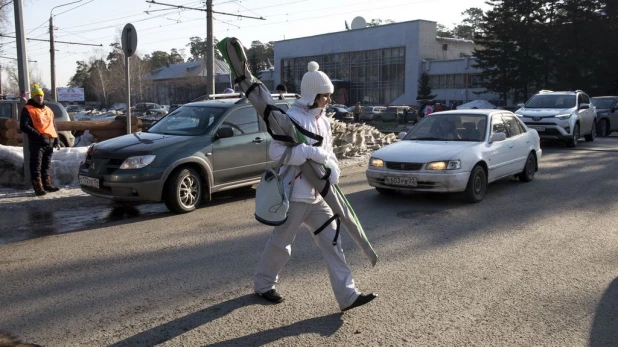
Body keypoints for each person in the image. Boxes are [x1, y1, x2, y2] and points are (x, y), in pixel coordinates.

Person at [253, 61, 377, 312]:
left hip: (320, 196)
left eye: (329, 95)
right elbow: (276, 152)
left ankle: (348, 296)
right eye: (325, 95)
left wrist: (333, 169)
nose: (329, 99)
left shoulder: (325, 121)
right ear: (312, 95)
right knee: (281, 244)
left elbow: (328, 153)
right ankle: (264, 284)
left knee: (333, 243)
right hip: (295, 196)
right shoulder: (290, 117)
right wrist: (308, 152)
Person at [19, 84, 60, 196]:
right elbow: (24, 126)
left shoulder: (48, 110)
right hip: (37, 142)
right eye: (37, 96)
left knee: (46, 165)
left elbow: (53, 125)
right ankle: (38, 187)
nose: (39, 97)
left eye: (41, 95)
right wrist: (39, 135)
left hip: (50, 141)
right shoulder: (28, 109)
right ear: (32, 97)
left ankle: (47, 184)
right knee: (36, 165)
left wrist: (56, 139)